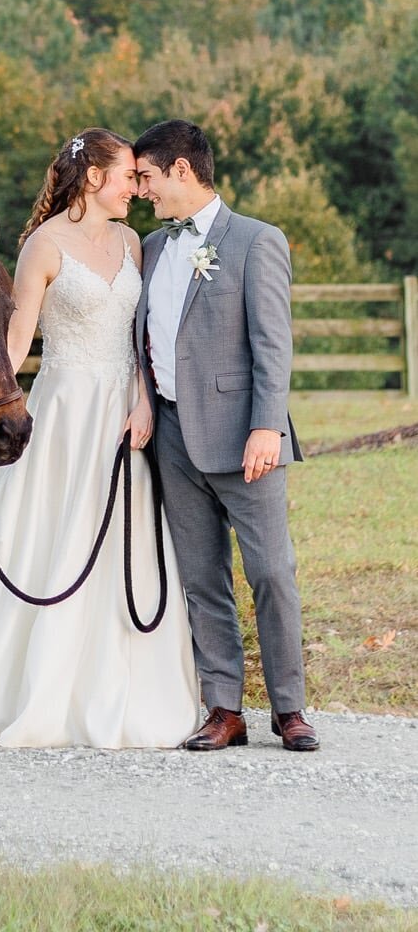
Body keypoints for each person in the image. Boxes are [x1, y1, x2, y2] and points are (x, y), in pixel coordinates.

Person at [0, 128, 200, 748]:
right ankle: (28, 690)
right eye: (128, 176)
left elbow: (142, 337)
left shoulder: (135, 243)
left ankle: (114, 692)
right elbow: (13, 343)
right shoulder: (43, 247)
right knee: (41, 539)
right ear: (95, 178)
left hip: (124, 415)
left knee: (120, 551)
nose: (136, 186)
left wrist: (141, 402)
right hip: (63, 409)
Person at [132, 119, 318, 753]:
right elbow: (145, 340)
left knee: (271, 571)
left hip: (246, 439)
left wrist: (268, 425)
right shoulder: (151, 249)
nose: (141, 190)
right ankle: (224, 707)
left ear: (182, 170)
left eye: (148, 177)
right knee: (201, 576)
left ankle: (289, 708)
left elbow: (273, 344)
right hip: (172, 437)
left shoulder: (257, 241)